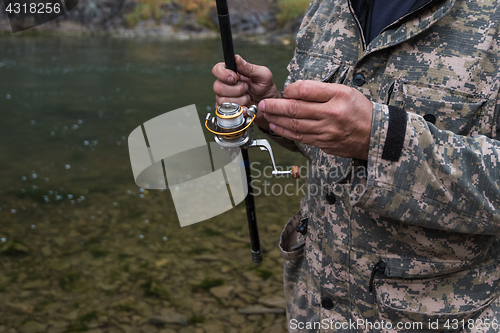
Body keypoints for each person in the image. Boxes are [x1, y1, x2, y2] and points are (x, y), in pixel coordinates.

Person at [212, 0, 500, 331]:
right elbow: (325, 145)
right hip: (313, 313)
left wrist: (382, 138)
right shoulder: (325, 7)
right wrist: (270, 109)